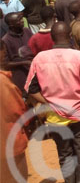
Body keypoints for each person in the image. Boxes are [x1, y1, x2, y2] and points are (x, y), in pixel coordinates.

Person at [25, 21, 80, 183]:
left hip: (55, 118)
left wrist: (49, 102)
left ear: (52, 38)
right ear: (71, 37)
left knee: (65, 155)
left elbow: (31, 89)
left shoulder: (39, 59)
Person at [0, 39, 29, 182]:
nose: (5, 53)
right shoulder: (2, 82)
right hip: (9, 141)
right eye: (3, 50)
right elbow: (17, 110)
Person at [1, 12, 33, 92]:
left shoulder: (27, 31)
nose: (22, 21)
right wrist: (24, 63)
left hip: (33, 72)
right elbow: (5, 64)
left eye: (21, 19)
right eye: (19, 20)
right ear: (11, 25)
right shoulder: (6, 40)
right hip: (20, 77)